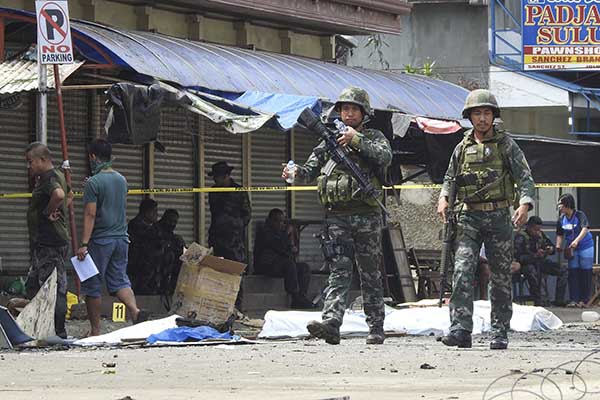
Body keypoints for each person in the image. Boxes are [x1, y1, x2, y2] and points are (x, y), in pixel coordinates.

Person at [282, 87, 392, 345]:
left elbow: (384, 156)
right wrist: (293, 173)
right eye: (345, 109)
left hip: (366, 215)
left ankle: (376, 326)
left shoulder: (373, 136)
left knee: (370, 273)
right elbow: (309, 170)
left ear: (364, 113)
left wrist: (355, 139)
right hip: (337, 217)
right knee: (339, 270)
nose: (349, 113)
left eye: (354, 109)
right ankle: (331, 323)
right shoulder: (327, 140)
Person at [437, 89, 536, 350]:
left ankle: (500, 330)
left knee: (500, 275)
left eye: (487, 113)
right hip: (468, 215)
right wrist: (444, 197)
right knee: (462, 270)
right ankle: (460, 329)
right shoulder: (462, 147)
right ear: (469, 117)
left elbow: (524, 177)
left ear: (494, 116)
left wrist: (525, 203)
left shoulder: (506, 145)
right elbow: (449, 178)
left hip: (499, 216)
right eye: (477, 113)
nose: (482, 118)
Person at [76, 138, 147, 336]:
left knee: (92, 284)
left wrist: (83, 244)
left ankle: (95, 330)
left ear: (92, 156)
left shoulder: (94, 182)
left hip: (101, 240)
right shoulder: (121, 179)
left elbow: (90, 214)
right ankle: (135, 311)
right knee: (120, 281)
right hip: (122, 239)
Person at [24, 142, 70, 338]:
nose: (29, 166)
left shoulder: (50, 177)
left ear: (43, 160)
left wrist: (48, 212)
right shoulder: (57, 174)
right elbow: (68, 195)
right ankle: (36, 327)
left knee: (52, 287)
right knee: (34, 285)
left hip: (50, 241)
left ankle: (57, 332)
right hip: (44, 242)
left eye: (30, 162)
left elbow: (59, 195)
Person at [208, 161, 251, 312]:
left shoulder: (238, 191)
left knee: (236, 273)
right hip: (218, 237)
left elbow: (247, 214)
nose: (216, 181)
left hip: (235, 240)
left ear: (226, 176)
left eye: (218, 177)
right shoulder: (214, 191)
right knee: (218, 273)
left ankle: (237, 306)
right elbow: (215, 212)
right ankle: (221, 305)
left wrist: (236, 226)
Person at [254, 208, 313, 309]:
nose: (281, 224)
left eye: (282, 221)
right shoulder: (265, 232)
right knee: (289, 264)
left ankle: (301, 297)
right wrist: (287, 235)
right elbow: (278, 247)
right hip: (266, 265)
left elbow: (289, 251)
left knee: (304, 267)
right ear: (270, 221)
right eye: (278, 221)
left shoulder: (280, 232)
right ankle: (295, 297)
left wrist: (291, 246)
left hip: (279, 264)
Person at [514, 216, 567, 306]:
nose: (538, 232)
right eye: (535, 230)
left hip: (541, 262)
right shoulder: (521, 237)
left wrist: (550, 249)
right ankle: (539, 301)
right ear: (529, 227)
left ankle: (559, 300)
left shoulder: (541, 235)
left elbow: (552, 247)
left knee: (563, 270)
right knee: (532, 271)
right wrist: (534, 256)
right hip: (526, 265)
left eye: (539, 229)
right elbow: (519, 257)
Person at [555, 193, 594, 308]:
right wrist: (558, 245)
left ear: (568, 205)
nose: (559, 207)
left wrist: (577, 241)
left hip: (585, 246)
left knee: (585, 272)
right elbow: (560, 234)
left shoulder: (579, 215)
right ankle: (574, 299)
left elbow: (585, 228)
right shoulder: (561, 219)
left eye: (561, 205)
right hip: (571, 249)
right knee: (573, 272)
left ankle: (584, 300)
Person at [127, 198, 158, 292]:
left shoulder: (149, 227)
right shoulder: (137, 225)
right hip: (137, 266)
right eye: (154, 212)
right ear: (147, 212)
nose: (156, 215)